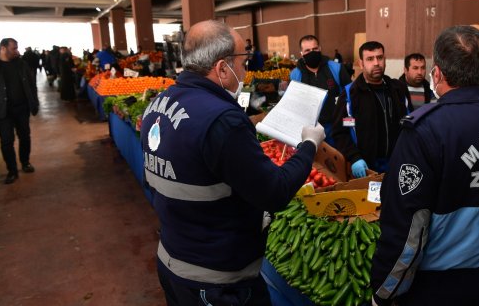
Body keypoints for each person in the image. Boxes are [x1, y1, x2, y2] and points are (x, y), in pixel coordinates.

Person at [139, 20, 325, 306]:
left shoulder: (158, 104)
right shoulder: (222, 120)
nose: (246, 70)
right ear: (222, 69)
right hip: (217, 284)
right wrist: (309, 145)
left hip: (173, 262)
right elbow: (275, 192)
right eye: (243, 61)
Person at [370, 26, 479, 306]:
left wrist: (383, 291)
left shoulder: (424, 132)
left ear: (437, 73)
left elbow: (406, 227)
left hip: (435, 287)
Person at [331, 41, 412, 178]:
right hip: (367, 169)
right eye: (370, 59)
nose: (376, 63)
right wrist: (354, 157)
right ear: (361, 63)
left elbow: (409, 122)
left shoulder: (399, 89)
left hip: (397, 164)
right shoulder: (351, 94)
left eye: (379, 58)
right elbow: (341, 132)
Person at [290, 35, 352, 145]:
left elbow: (351, 98)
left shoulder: (336, 68)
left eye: (315, 49)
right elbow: (293, 105)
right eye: (307, 50)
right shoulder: (296, 75)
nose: (312, 52)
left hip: (336, 129)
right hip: (311, 131)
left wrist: (349, 126)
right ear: (301, 54)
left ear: (320, 48)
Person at [0, 38, 39, 184]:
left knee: (25, 137)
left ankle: (25, 162)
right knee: (7, 142)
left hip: (22, 108)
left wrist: (34, 101)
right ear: (3, 48)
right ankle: (12, 170)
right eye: (13, 48)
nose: (17, 51)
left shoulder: (21, 64)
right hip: (3, 111)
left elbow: (31, 83)